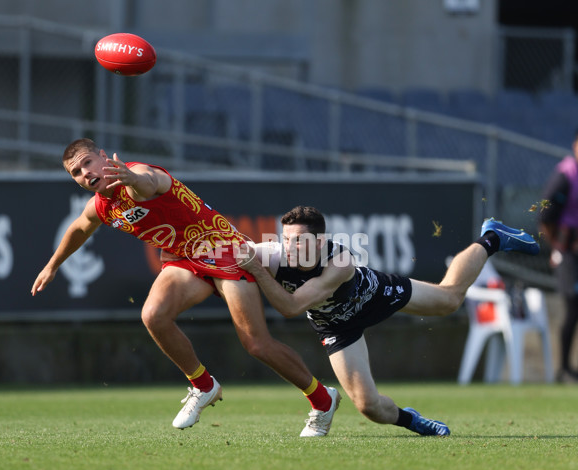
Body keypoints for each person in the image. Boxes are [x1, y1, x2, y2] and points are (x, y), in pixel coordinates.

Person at [31, 139, 340, 437]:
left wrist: (130, 177)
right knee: (154, 316)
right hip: (183, 258)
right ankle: (204, 386)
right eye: (76, 172)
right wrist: (52, 265)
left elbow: (149, 183)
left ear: (102, 157)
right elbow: (79, 228)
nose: (85, 172)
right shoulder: (100, 206)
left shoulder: (136, 175)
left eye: (87, 162)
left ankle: (323, 400)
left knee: (257, 345)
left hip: (224, 251)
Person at [237, 205, 540, 436]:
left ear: (320, 242)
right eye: (286, 239)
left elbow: (290, 307)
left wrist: (259, 271)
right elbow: (232, 252)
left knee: (449, 299)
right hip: (337, 327)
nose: (290, 247)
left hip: (376, 296)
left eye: (300, 240)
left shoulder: (339, 262)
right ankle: (413, 420)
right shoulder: (272, 256)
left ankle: (492, 237)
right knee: (368, 407)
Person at [539, 133, 578, 383]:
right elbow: (545, 216)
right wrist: (558, 246)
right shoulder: (565, 175)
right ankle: (563, 368)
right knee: (573, 304)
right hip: (567, 253)